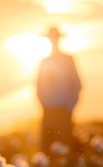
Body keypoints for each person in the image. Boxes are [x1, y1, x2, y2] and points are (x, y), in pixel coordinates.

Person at [36, 27, 82, 155]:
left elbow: (77, 85)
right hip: (47, 112)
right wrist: (44, 106)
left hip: (63, 112)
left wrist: (69, 108)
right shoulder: (44, 61)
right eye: (52, 38)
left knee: (65, 149)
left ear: (59, 39)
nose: (53, 40)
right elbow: (38, 87)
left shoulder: (68, 60)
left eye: (55, 37)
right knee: (46, 150)